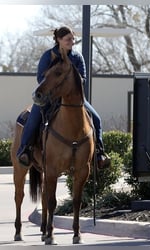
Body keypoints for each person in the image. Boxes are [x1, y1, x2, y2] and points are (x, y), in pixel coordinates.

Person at [17, 26, 111, 169]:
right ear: (59, 40)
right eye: (68, 39)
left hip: (74, 99)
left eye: (72, 39)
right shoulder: (48, 56)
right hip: (50, 98)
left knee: (96, 118)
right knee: (33, 118)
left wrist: (70, 83)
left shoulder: (77, 57)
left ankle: (99, 153)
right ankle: (25, 150)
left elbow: (83, 79)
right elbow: (41, 78)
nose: (71, 42)